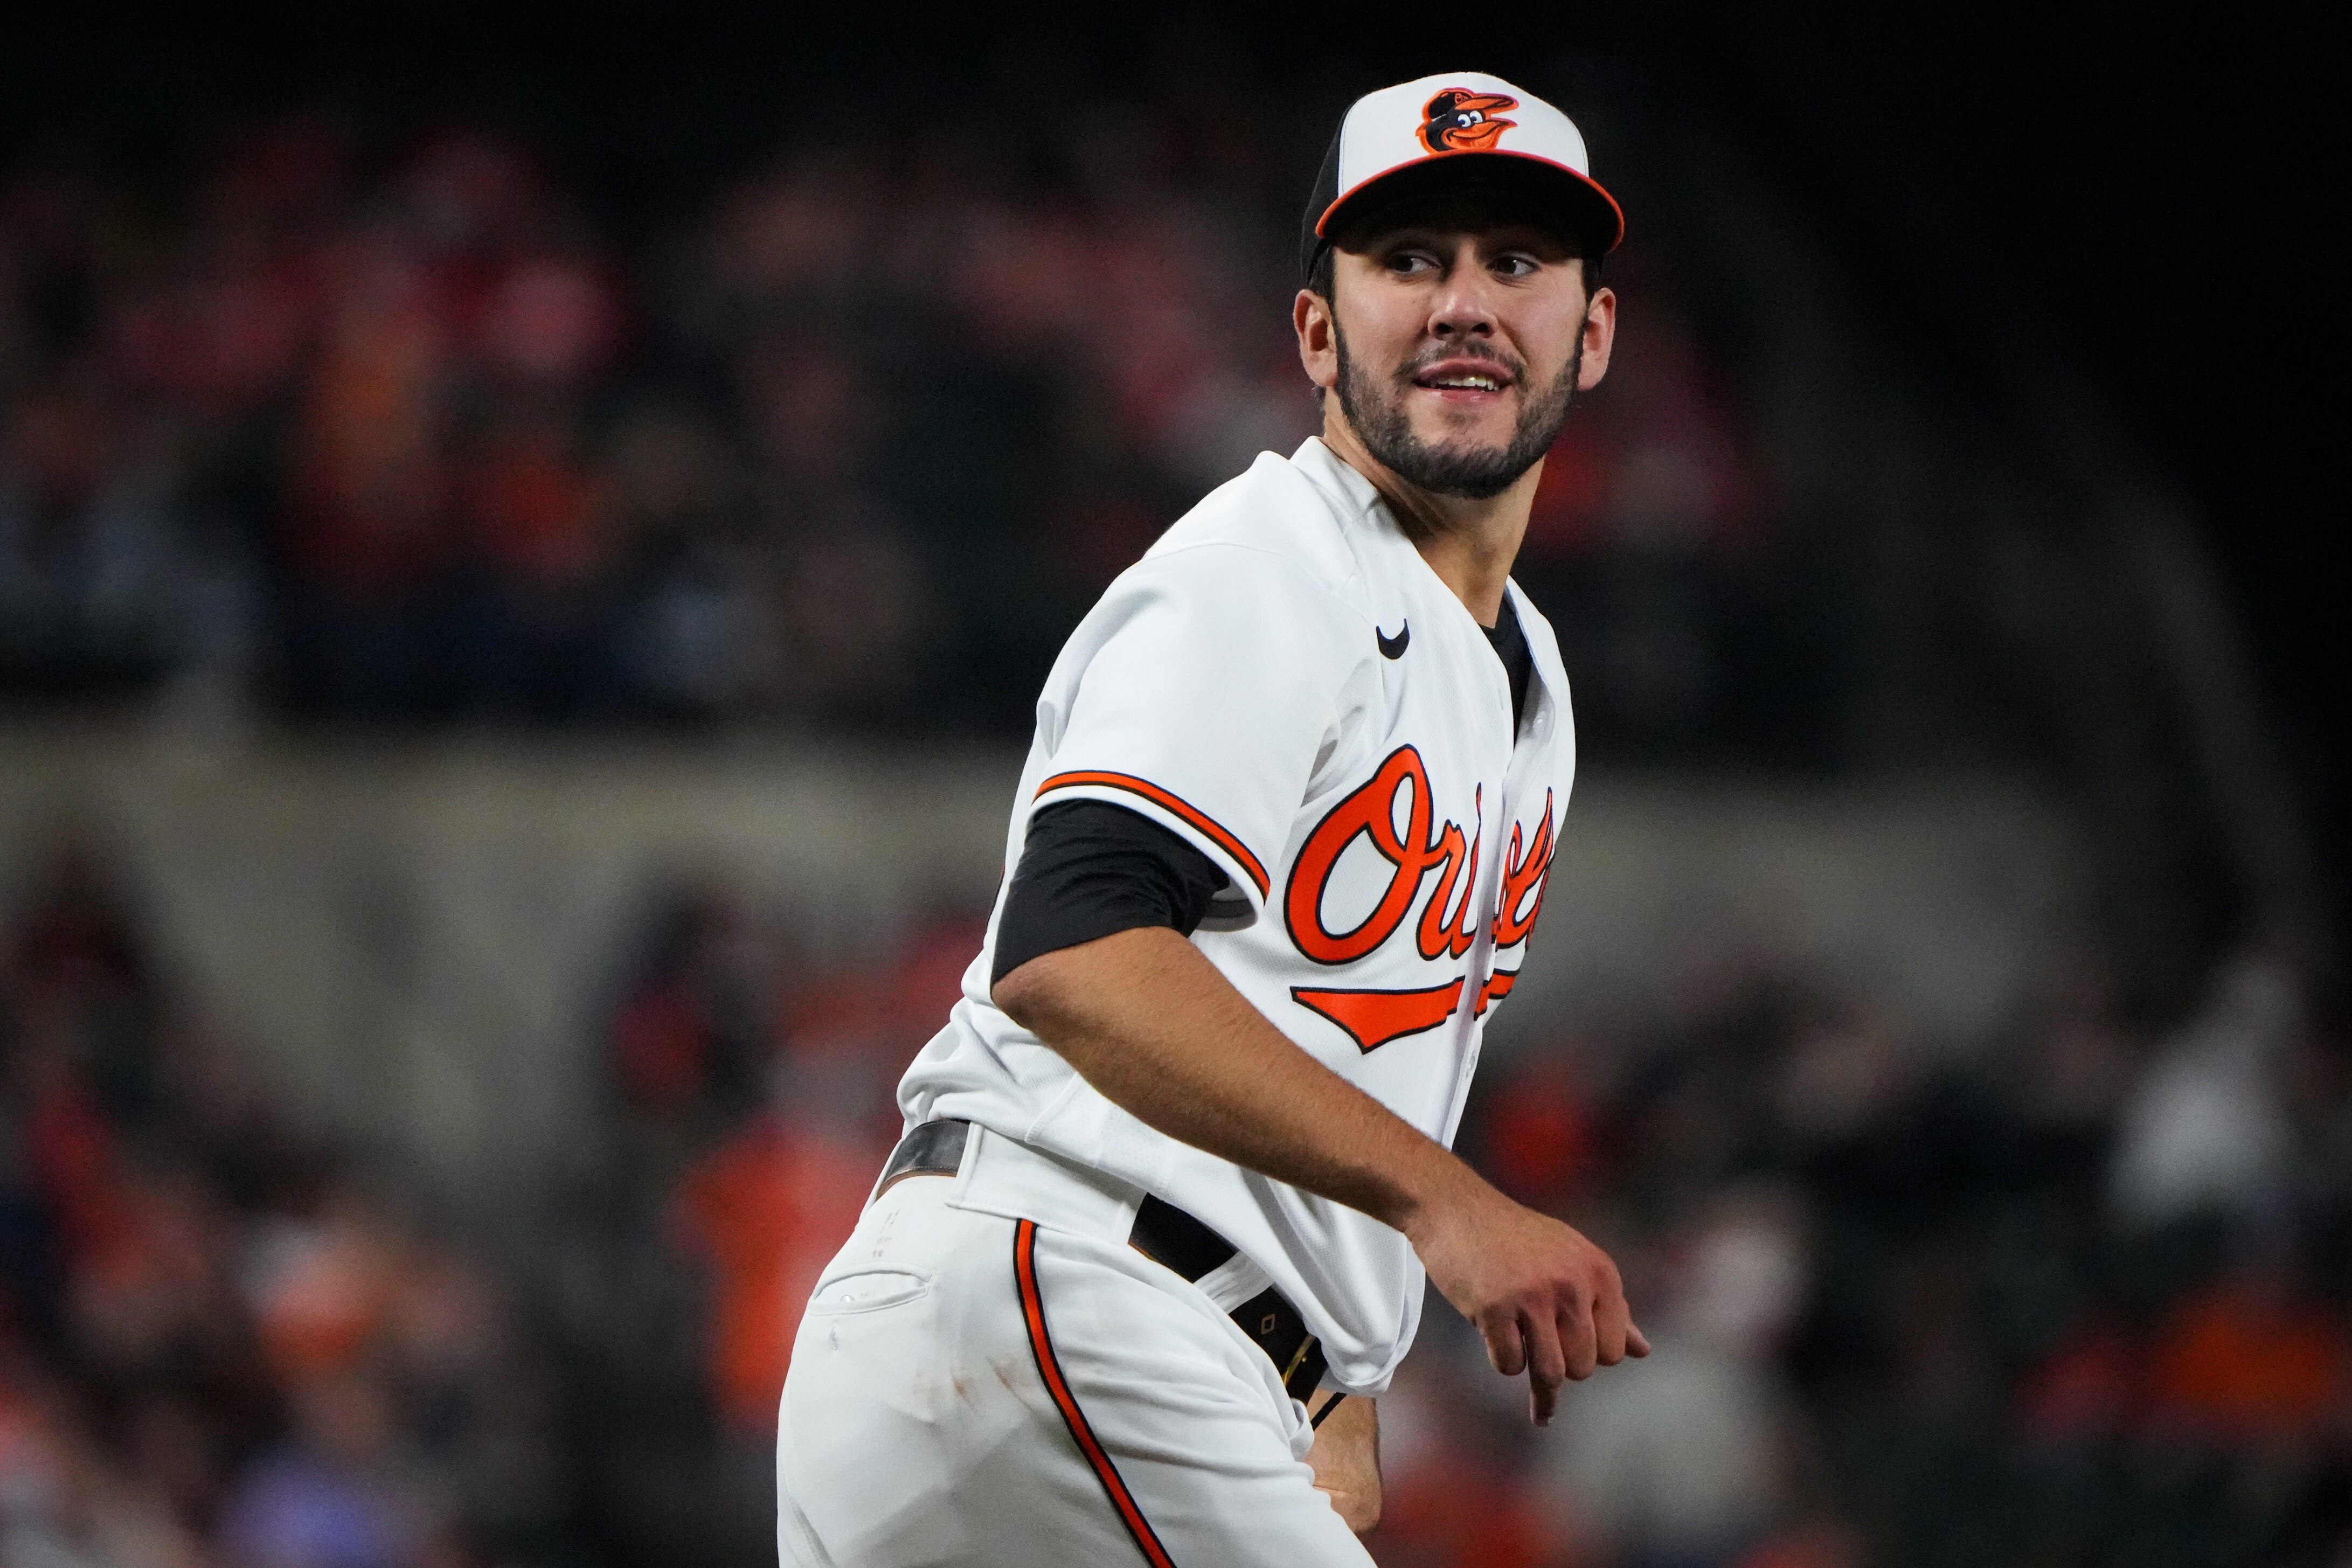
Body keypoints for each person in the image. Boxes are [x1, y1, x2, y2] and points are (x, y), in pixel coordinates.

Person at [776, 71, 1646, 1567]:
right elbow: (1077, 948)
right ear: (1317, 330)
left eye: (1516, 261)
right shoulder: (1271, 565)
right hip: (1066, 1299)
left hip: (1087, 1338)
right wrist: (1450, 1211)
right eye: (1408, 260)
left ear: (1596, 331)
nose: (1464, 303)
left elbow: (1350, 1041)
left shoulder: (1527, 675)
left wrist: (1340, 1370)